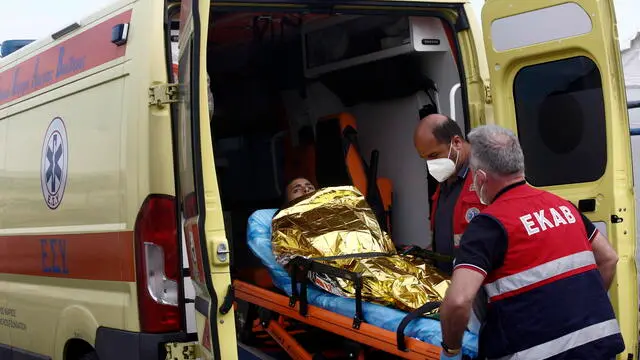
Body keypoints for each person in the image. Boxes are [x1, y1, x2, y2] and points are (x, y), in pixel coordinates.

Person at [438, 125, 624, 360]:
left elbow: (458, 301)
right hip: (597, 347)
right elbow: (609, 258)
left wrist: (451, 350)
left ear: (481, 177)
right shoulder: (564, 206)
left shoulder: (488, 225)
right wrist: (575, 312)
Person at [271, 177, 451, 314]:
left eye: (309, 186)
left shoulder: (338, 209)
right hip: (343, 268)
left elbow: (370, 233)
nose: (305, 189)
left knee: (419, 271)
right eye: (297, 189)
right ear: (288, 202)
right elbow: (291, 261)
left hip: (378, 257)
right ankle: (443, 311)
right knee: (396, 285)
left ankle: (459, 303)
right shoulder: (286, 220)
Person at [414, 114, 485, 274]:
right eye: (424, 158)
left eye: (433, 155)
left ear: (457, 143)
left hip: (478, 287)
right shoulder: (446, 181)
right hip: (449, 283)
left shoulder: (486, 176)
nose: (430, 164)